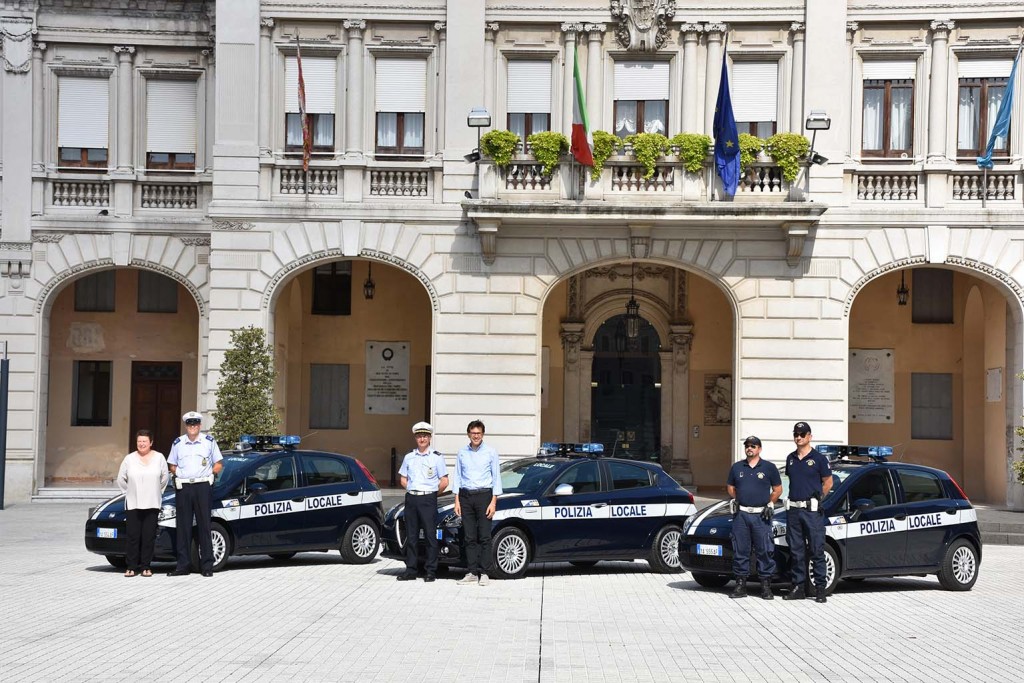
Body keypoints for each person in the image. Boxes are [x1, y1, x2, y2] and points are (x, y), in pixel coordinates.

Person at [166, 411, 223, 577]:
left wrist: (210, 475)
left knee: (204, 526)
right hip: (184, 487)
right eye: (190, 424)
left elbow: (218, 463)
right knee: (183, 526)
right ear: (186, 426)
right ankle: (183, 566)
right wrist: (181, 474)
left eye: (196, 424)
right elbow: (172, 465)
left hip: (203, 486)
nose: (193, 427)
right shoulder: (178, 443)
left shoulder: (208, 441)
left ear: (199, 425)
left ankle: (207, 566)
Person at [726, 435, 783, 599]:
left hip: (761, 516)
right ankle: (740, 586)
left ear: (759, 449)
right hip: (742, 515)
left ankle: (765, 587)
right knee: (740, 550)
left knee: (764, 550)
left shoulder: (769, 467)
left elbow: (778, 490)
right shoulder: (737, 467)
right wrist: (737, 499)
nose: (749, 448)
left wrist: (770, 503)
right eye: (747, 446)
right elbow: (730, 487)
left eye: (753, 446)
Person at [782, 421, 833, 603]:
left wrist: (819, 498)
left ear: (810, 436)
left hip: (811, 512)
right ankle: (798, 587)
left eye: (802, 434)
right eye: (796, 434)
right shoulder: (790, 458)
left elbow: (828, 482)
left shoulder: (819, 459)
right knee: (796, 550)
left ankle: (820, 589)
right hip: (794, 510)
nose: (798, 437)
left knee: (816, 549)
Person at [397, 422, 449, 582]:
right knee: (411, 536)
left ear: (430, 438)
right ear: (415, 438)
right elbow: (403, 479)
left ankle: (430, 571)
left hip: (428, 499)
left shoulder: (436, 457)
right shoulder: (409, 457)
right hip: (412, 498)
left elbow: (444, 481)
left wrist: (431, 494)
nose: (422, 439)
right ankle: (411, 570)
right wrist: (413, 489)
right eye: (419, 436)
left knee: (430, 536)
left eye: (425, 436)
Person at [453, 420, 502, 586]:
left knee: (485, 536)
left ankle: (485, 572)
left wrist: (493, 502)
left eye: (479, 433)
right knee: (469, 536)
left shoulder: (491, 452)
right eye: (473, 433)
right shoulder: (461, 453)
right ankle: (472, 572)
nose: (476, 436)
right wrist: (457, 500)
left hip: (484, 496)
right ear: (468, 434)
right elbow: (458, 476)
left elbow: (496, 478)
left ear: (483, 435)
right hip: (466, 496)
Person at [116, 430, 170, 577]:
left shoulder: (159, 458)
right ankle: (132, 567)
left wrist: (156, 491)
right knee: (133, 536)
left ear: (151, 443)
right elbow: (121, 478)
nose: (142, 444)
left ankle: (146, 566)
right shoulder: (129, 458)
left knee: (148, 536)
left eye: (144, 441)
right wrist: (129, 492)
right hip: (133, 503)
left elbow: (165, 477)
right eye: (139, 441)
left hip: (152, 503)